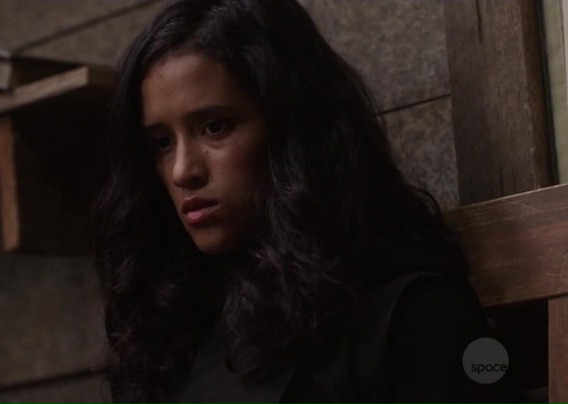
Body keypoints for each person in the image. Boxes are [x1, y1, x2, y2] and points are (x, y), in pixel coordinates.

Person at [90, 0, 517, 403]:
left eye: (215, 127)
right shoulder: (169, 334)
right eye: (161, 143)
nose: (183, 170)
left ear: (293, 128)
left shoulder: (414, 313)